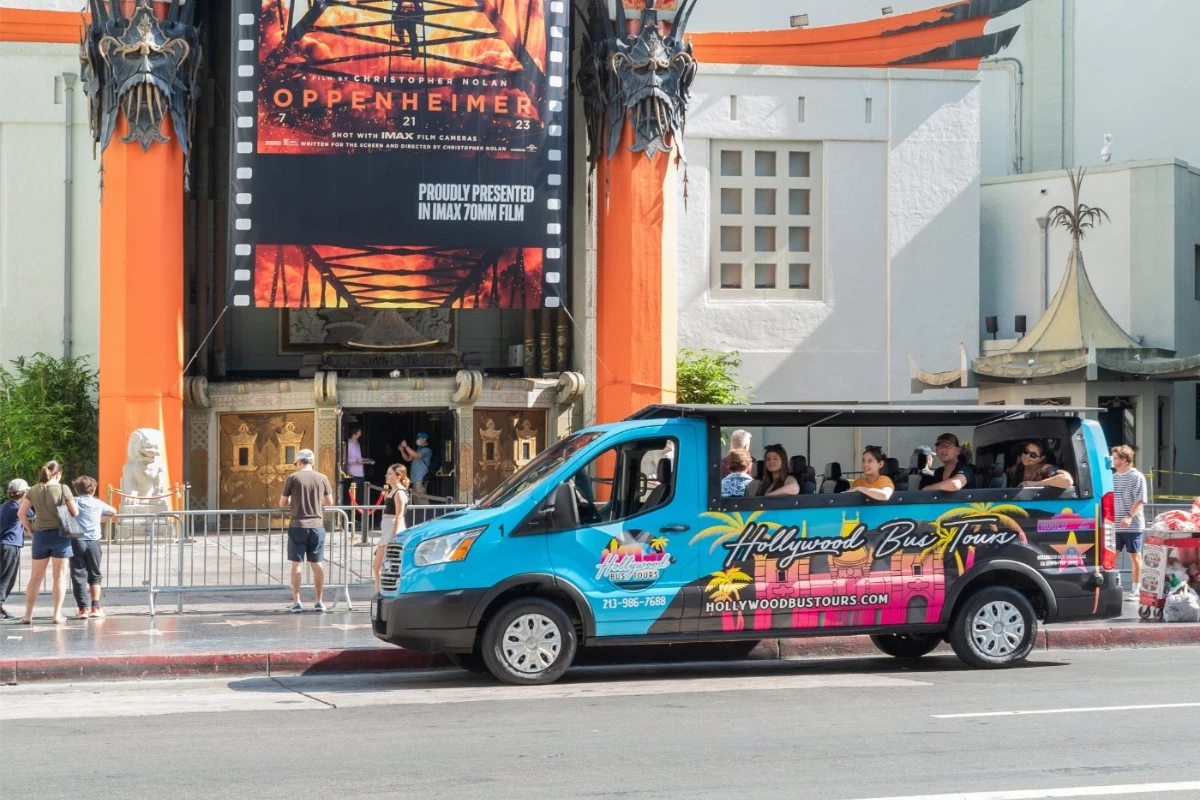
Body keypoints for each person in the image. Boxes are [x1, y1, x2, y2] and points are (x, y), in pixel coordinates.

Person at [18, 460, 79, 624]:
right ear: (58, 474)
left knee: (35, 577)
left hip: (40, 536)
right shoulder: (62, 488)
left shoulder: (33, 490)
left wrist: (30, 531)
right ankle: (57, 615)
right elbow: (75, 511)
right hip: (60, 536)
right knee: (59, 575)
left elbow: (21, 513)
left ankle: (28, 615)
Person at [279, 448, 334, 613]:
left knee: (297, 564)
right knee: (317, 563)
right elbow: (329, 502)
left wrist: (292, 499)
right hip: (317, 525)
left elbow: (282, 503)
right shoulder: (322, 478)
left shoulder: (293, 478)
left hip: (298, 525)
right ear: (313, 462)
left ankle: (297, 602)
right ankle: (319, 601)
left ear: (299, 462)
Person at [68, 476, 117, 619]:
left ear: (77, 490)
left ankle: (83, 608)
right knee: (95, 574)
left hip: (77, 540)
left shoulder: (75, 502)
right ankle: (96, 607)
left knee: (78, 574)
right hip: (94, 541)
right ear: (93, 488)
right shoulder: (98, 503)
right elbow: (113, 511)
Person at [1111, 444, 1148, 598]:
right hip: (1114, 525)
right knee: (1111, 556)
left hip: (1133, 525)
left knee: (1135, 556)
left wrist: (1129, 516)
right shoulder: (1111, 478)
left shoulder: (1136, 476)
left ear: (1125, 460)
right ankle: (1111, 587)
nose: (1112, 461)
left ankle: (1136, 589)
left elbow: (1140, 500)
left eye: (1115, 458)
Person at [372, 463, 410, 593]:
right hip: (387, 530)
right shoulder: (393, 490)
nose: (387, 476)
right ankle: (378, 591)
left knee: (386, 565)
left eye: (390, 474)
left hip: (392, 530)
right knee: (377, 566)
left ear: (398, 476)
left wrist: (393, 538)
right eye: (387, 473)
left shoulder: (399, 492)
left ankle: (382, 591)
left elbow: (399, 516)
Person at [0, 479, 31, 620]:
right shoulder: (17, 508)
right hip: (10, 545)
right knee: (7, 578)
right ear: (23, 493)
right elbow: (30, 513)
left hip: (5, 544)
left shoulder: (6, 506)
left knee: (4, 576)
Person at [1007, 440, 1074, 490]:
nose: (1027, 456)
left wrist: (1035, 484)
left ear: (1041, 459)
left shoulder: (1045, 469)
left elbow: (1067, 481)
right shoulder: (1014, 470)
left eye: (1033, 455)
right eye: (1026, 451)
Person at [399, 432, 433, 503]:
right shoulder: (419, 448)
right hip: (415, 478)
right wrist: (402, 450)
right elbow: (408, 459)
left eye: (419, 438)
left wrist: (406, 447)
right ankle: (418, 513)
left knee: (421, 497)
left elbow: (417, 456)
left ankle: (426, 513)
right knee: (415, 497)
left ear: (425, 439)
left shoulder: (426, 449)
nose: (418, 440)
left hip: (421, 477)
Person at [345, 427, 367, 506]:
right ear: (354, 433)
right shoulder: (348, 443)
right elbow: (346, 459)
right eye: (359, 433)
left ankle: (358, 513)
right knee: (353, 494)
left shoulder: (357, 443)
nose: (360, 434)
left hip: (360, 472)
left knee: (360, 495)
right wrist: (356, 461)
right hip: (353, 472)